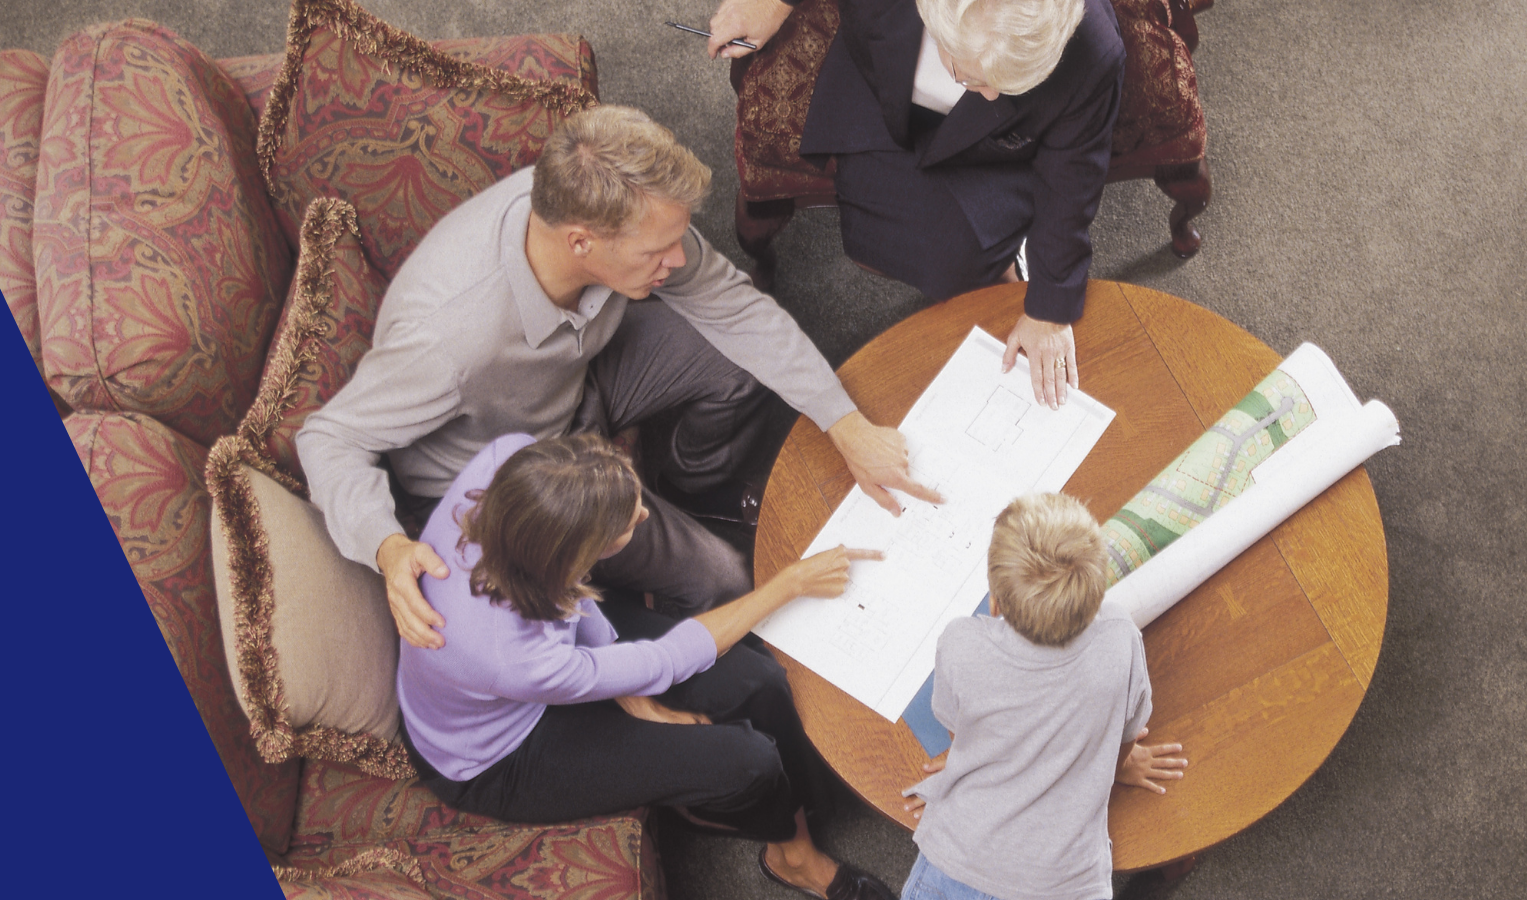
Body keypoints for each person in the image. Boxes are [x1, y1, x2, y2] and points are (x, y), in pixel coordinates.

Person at [297, 105, 941, 651]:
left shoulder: (616, 215)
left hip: (580, 380)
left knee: (742, 363)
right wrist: (386, 549)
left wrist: (845, 423)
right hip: (520, 472)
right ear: (582, 243)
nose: (680, 259)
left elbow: (736, 309)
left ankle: (688, 486)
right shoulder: (447, 338)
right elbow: (329, 439)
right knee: (723, 579)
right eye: (657, 252)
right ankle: (663, 615)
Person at [398, 431, 896, 900]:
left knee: (757, 681)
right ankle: (793, 856)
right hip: (494, 755)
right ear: (576, 557)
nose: (641, 515)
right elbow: (666, 658)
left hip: (551, 639)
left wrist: (633, 694)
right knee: (749, 761)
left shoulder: (507, 459)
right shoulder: (512, 657)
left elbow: (573, 604)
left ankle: (801, 804)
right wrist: (789, 584)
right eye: (626, 523)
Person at [706, 0, 1126, 410]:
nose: (993, 94)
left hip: (998, 148)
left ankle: (1003, 260)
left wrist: (1049, 311)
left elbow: (1072, 177)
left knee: (961, 261)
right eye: (974, 77)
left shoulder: (1093, 48)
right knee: (878, 241)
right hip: (883, 88)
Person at [896, 492, 1186, 900]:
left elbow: (959, 736)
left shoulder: (961, 642)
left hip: (958, 862)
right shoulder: (1120, 636)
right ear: (1095, 594)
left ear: (995, 603)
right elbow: (1127, 734)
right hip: (1066, 885)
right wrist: (1116, 767)